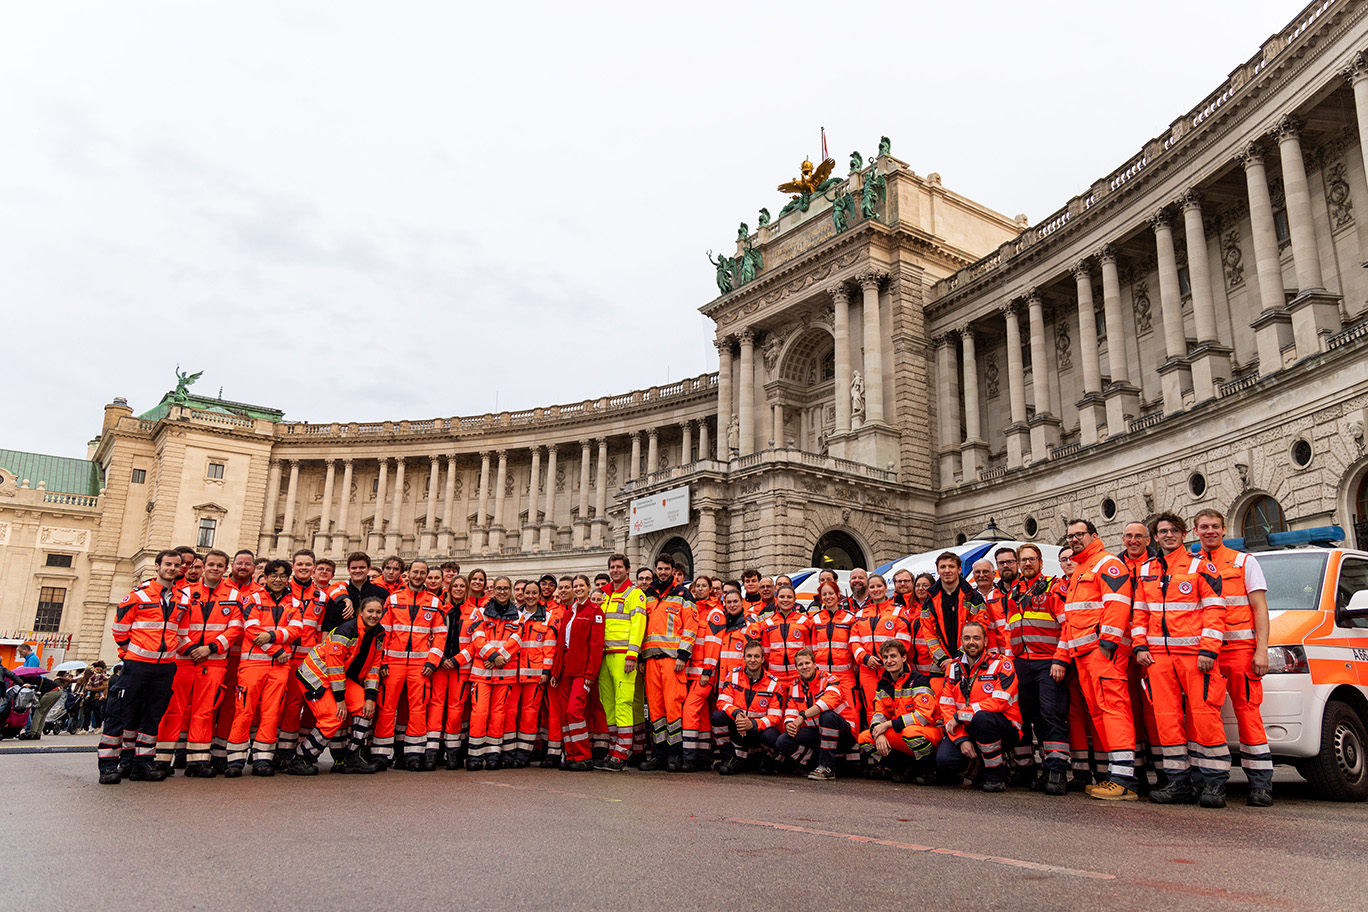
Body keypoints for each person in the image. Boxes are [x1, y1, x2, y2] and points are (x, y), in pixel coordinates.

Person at [1133, 512, 1231, 808]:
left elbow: (1215, 610)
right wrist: (1139, 646)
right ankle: (1178, 782)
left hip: (1195, 656)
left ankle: (1214, 784)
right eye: (1163, 531)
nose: (1168, 535)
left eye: (1174, 530)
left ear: (1183, 534)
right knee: (1166, 719)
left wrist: (1208, 649)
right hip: (1158, 658)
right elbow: (1140, 612)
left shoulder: (1201, 566)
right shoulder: (1147, 569)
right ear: (1156, 536)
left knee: (1205, 716)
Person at [1053, 519, 1139, 800]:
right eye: (1070, 536)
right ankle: (1115, 776)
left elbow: (1118, 604)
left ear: (1094, 535)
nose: (1075, 540)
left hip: (1102, 654)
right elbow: (1072, 620)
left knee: (1113, 711)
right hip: (1085, 655)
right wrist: (1063, 657)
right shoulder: (1080, 569)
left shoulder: (1107, 563)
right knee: (1102, 714)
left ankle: (1124, 780)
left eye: (1080, 535)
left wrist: (1107, 645)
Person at [1195, 507, 1273, 807]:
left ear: (1224, 530)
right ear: (1196, 531)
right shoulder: (1191, 565)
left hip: (1240, 651)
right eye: (1204, 527)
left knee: (1248, 715)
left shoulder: (1244, 561)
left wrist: (1262, 650)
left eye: (1215, 526)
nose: (1210, 531)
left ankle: (1261, 785)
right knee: (1205, 716)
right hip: (1206, 654)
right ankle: (1211, 783)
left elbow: (1259, 608)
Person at [97, 549, 187, 784]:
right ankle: (108, 766)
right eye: (168, 564)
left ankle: (142, 765)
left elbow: (182, 632)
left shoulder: (182, 599)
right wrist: (130, 652)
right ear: (157, 566)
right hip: (137, 665)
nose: (172, 569)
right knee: (118, 714)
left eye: (176, 565)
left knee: (152, 717)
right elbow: (119, 630)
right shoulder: (138, 596)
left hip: (165, 667)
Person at [154, 548, 243, 778]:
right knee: (174, 710)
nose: (215, 569)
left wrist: (211, 648)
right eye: (210, 564)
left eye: (219, 566)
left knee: (204, 712)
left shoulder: (234, 595)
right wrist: (190, 648)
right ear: (203, 567)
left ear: (226, 569)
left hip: (214, 662)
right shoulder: (184, 592)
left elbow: (235, 628)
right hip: (184, 660)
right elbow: (174, 623)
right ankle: (162, 760)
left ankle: (198, 762)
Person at [287, 595, 386, 775]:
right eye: (370, 611)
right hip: (315, 675)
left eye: (378, 612)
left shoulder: (378, 634)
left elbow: (374, 667)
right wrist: (340, 699)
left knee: (365, 707)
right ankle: (301, 758)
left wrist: (371, 697)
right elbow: (335, 667)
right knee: (332, 717)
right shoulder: (346, 631)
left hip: (336, 677)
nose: (374, 615)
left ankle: (351, 758)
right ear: (360, 612)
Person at [226, 560, 305, 778]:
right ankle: (235, 760)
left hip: (279, 667)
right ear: (266, 577)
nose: (278, 579)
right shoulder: (252, 599)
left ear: (288, 578)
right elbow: (251, 629)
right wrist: (277, 649)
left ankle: (263, 759)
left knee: (271, 713)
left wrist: (271, 636)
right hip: (253, 664)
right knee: (244, 711)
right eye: (274, 575)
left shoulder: (296, 603)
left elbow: (297, 629)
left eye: (282, 575)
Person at [1002, 543, 1069, 795]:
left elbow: (1067, 626)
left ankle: (1057, 771)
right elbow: (1010, 630)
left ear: (1040, 562)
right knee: (1026, 716)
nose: (1027, 564)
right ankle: (1030, 769)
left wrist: (1060, 659)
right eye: (1023, 560)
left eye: (1032, 559)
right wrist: (1010, 663)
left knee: (1051, 714)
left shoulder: (1053, 587)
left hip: (1048, 662)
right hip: (1022, 664)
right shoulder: (1014, 593)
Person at [374, 559, 446, 771]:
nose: (418, 576)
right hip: (393, 663)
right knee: (386, 708)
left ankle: (414, 754)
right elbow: (383, 633)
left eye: (422, 573)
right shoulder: (393, 598)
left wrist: (432, 662)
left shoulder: (434, 602)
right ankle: (381, 755)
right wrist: (383, 660)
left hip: (420, 664)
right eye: (415, 572)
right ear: (408, 574)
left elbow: (440, 635)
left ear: (426, 576)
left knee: (418, 709)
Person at [936, 621, 1022, 792]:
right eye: (967, 638)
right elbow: (947, 707)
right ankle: (980, 771)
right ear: (961, 641)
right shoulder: (953, 667)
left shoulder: (1001, 664)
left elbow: (1000, 702)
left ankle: (995, 776)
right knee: (944, 761)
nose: (971, 642)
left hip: (1001, 728)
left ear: (985, 641)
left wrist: (963, 715)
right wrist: (961, 740)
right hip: (967, 730)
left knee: (982, 718)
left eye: (976, 638)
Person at [640, 553, 697, 772]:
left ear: (673, 571)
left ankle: (675, 756)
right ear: (655, 569)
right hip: (651, 661)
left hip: (673, 662)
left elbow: (691, 626)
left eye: (667, 569)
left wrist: (683, 655)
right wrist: (640, 658)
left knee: (673, 709)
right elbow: (641, 628)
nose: (663, 572)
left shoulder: (683, 594)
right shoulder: (648, 595)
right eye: (660, 568)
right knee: (655, 710)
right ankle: (659, 755)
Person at [857, 640, 942, 782]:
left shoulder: (919, 680)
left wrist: (888, 725)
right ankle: (900, 769)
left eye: (893, 656)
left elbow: (923, 717)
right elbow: (878, 714)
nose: (889, 661)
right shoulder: (883, 683)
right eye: (885, 657)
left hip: (929, 732)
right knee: (865, 737)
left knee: (911, 733)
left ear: (903, 658)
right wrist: (878, 733)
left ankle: (928, 769)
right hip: (903, 732)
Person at [1119, 521, 1163, 788]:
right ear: (1123, 539)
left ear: (1148, 540)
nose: (1133, 541)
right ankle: (1135, 773)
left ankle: (1164, 773)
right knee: (1130, 710)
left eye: (1139, 536)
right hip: (1123, 648)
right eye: (1129, 536)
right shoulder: (1113, 567)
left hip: (1152, 648)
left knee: (1156, 711)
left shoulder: (1160, 566)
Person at [275, 549, 329, 766]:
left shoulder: (323, 598)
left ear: (314, 568)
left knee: (296, 705)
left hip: (306, 660)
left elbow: (322, 631)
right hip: (281, 657)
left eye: (308, 565)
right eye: (300, 565)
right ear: (293, 567)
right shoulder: (282, 592)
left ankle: (287, 752)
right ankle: (273, 749)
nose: (304, 568)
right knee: (278, 705)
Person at [462, 576, 522, 770]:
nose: (502, 592)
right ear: (493, 590)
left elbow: (517, 640)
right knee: (479, 713)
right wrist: (493, 655)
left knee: (498, 714)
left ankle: (493, 754)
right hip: (482, 673)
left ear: (510, 590)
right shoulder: (480, 612)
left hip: (504, 673)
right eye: (499, 588)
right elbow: (477, 637)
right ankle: (475, 756)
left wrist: (498, 658)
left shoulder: (518, 615)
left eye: (506, 588)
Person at [550, 575, 605, 771]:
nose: (578, 588)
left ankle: (584, 756)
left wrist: (591, 675)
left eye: (582, 585)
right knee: (565, 714)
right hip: (566, 670)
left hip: (582, 671)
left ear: (589, 588)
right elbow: (560, 645)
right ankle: (572, 755)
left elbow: (596, 645)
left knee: (575, 711)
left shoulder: (595, 611)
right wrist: (556, 672)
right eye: (576, 586)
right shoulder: (569, 612)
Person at [596, 554, 646, 771]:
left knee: (623, 704)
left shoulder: (635, 594)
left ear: (627, 569)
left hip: (623, 657)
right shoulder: (604, 594)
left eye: (619, 567)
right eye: (612, 567)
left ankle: (622, 752)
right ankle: (614, 747)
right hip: (604, 657)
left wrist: (632, 655)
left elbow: (638, 625)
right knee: (608, 705)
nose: (615, 570)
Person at [777, 647, 854, 780]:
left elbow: (828, 701)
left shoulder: (829, 679)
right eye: (800, 664)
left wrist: (803, 716)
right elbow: (790, 713)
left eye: (807, 663)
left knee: (827, 715)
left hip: (843, 734)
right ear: (796, 668)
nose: (804, 667)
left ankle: (827, 766)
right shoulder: (795, 687)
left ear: (814, 664)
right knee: (783, 741)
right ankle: (815, 764)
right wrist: (789, 725)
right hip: (818, 734)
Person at [712, 640, 784, 775]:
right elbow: (722, 702)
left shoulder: (773, 683)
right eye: (749, 656)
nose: (752, 660)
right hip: (738, 729)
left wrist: (753, 724)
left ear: (763, 659)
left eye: (756, 656)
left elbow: (776, 716)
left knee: (772, 735)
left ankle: (765, 760)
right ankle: (730, 758)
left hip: (757, 732)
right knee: (717, 717)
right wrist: (737, 714)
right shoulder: (733, 676)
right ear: (743, 658)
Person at [429, 575, 474, 770]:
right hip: (440, 666)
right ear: (449, 588)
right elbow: (431, 636)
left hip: (460, 668)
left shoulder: (474, 613)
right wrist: (439, 659)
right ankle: (431, 753)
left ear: (466, 589)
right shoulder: (440, 609)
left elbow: (475, 642)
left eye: (461, 586)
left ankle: (453, 754)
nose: (458, 589)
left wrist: (458, 660)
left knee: (456, 710)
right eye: (454, 586)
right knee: (436, 707)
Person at [513, 578, 557, 768]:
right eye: (527, 593)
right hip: (514, 672)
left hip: (535, 673)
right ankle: (513, 748)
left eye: (534, 593)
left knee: (530, 713)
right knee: (513, 712)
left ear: (540, 595)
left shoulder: (548, 617)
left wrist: (546, 671)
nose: (530, 596)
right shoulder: (514, 615)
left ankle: (525, 751)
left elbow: (549, 647)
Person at [921, 552, 990, 671]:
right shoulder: (929, 600)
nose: (947, 570)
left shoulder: (973, 597)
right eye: (943, 567)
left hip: (970, 663)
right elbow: (929, 634)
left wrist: (957, 658)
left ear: (959, 569)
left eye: (951, 566)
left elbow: (979, 630)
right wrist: (942, 659)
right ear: (937, 571)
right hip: (940, 667)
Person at [751, 583, 811, 692]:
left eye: (789, 597)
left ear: (795, 599)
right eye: (782, 597)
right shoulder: (767, 623)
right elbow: (766, 653)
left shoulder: (805, 621)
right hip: (775, 676)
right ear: (776, 599)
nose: (785, 600)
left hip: (799, 675)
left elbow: (809, 650)